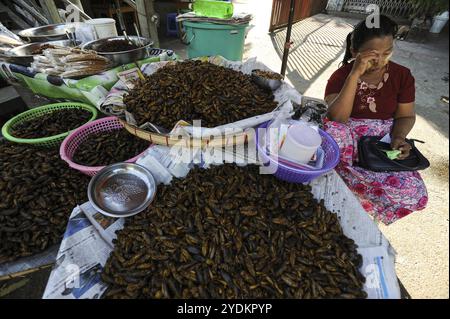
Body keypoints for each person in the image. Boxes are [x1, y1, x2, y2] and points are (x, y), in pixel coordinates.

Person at [324, 15, 428, 225]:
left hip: (381, 142)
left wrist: (398, 138)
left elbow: (405, 115)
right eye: (373, 56)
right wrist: (354, 74)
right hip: (348, 139)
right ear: (355, 52)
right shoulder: (341, 76)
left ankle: (361, 190)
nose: (380, 62)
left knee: (414, 192)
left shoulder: (402, 76)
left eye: (387, 53)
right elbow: (338, 118)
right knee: (332, 133)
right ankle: (353, 187)